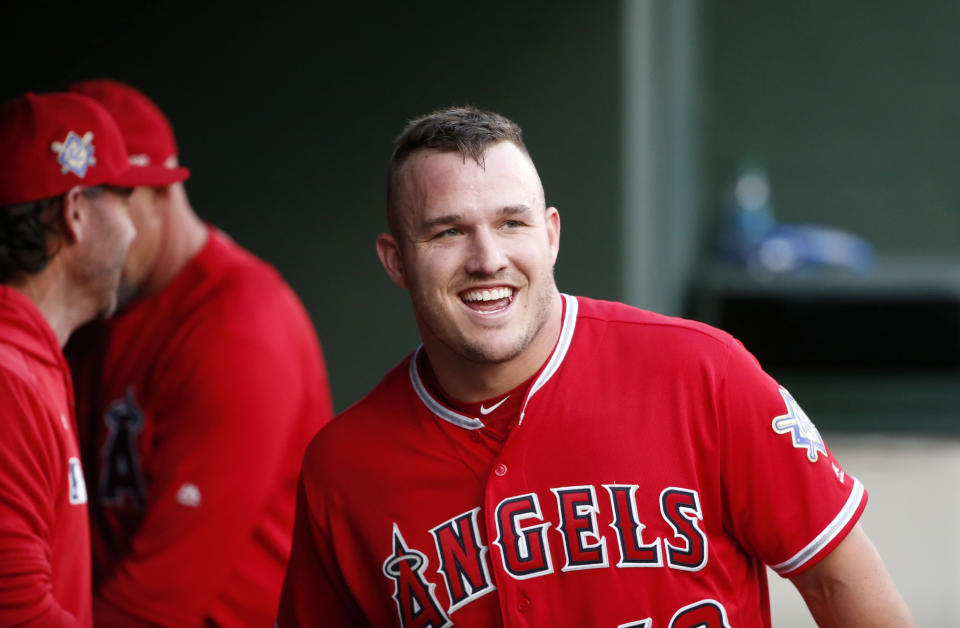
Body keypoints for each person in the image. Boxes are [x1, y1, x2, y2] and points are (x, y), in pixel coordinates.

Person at [277, 106, 914, 627]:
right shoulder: (344, 468)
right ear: (395, 261)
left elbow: (842, 587)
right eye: (447, 233)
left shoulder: (702, 373)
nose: (487, 257)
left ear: (550, 234)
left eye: (512, 222)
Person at [63, 80, 334, 627]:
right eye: (68, 214)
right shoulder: (100, 310)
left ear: (157, 191)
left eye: (96, 206)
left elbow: (158, 603)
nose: (79, 235)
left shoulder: (239, 328)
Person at [0, 91, 186, 626]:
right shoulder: (9, 383)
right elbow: (19, 617)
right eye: (124, 198)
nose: (132, 227)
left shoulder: (33, 360)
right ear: (75, 211)